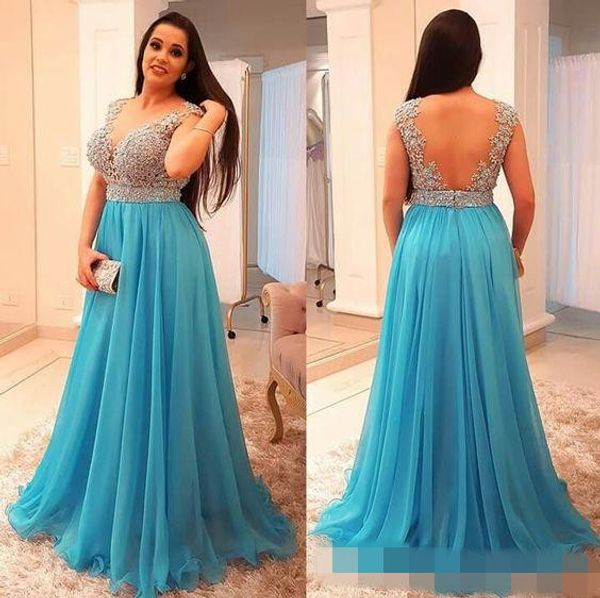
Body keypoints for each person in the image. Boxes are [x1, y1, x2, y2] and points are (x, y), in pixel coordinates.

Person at [5, 11, 296, 598]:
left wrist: (214, 114)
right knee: (109, 365)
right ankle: (105, 482)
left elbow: (175, 167)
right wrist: (82, 246)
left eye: (176, 51)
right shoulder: (118, 108)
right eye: (156, 45)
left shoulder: (190, 114)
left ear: (189, 66)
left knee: (162, 370)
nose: (161, 56)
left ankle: (165, 495)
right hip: (115, 248)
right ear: (143, 50)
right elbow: (99, 181)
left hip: (164, 252)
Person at [310, 8, 600, 594]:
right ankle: (493, 483)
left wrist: (405, 251)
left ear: (430, 55)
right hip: (483, 242)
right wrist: (513, 249)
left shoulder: (407, 116)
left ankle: (422, 486)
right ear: (474, 57)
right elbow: (527, 199)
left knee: (422, 364)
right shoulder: (503, 116)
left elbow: (390, 200)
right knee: (490, 362)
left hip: (423, 244)